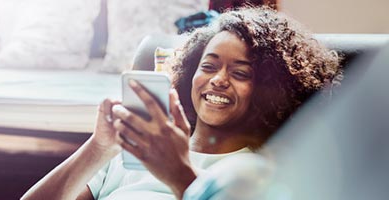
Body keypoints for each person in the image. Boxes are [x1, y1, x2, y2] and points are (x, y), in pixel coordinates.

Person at [21, 6, 342, 200]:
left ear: (270, 89)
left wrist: (178, 172)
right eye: (209, 66)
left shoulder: (264, 171)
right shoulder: (129, 155)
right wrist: (98, 148)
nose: (218, 79)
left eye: (240, 72)